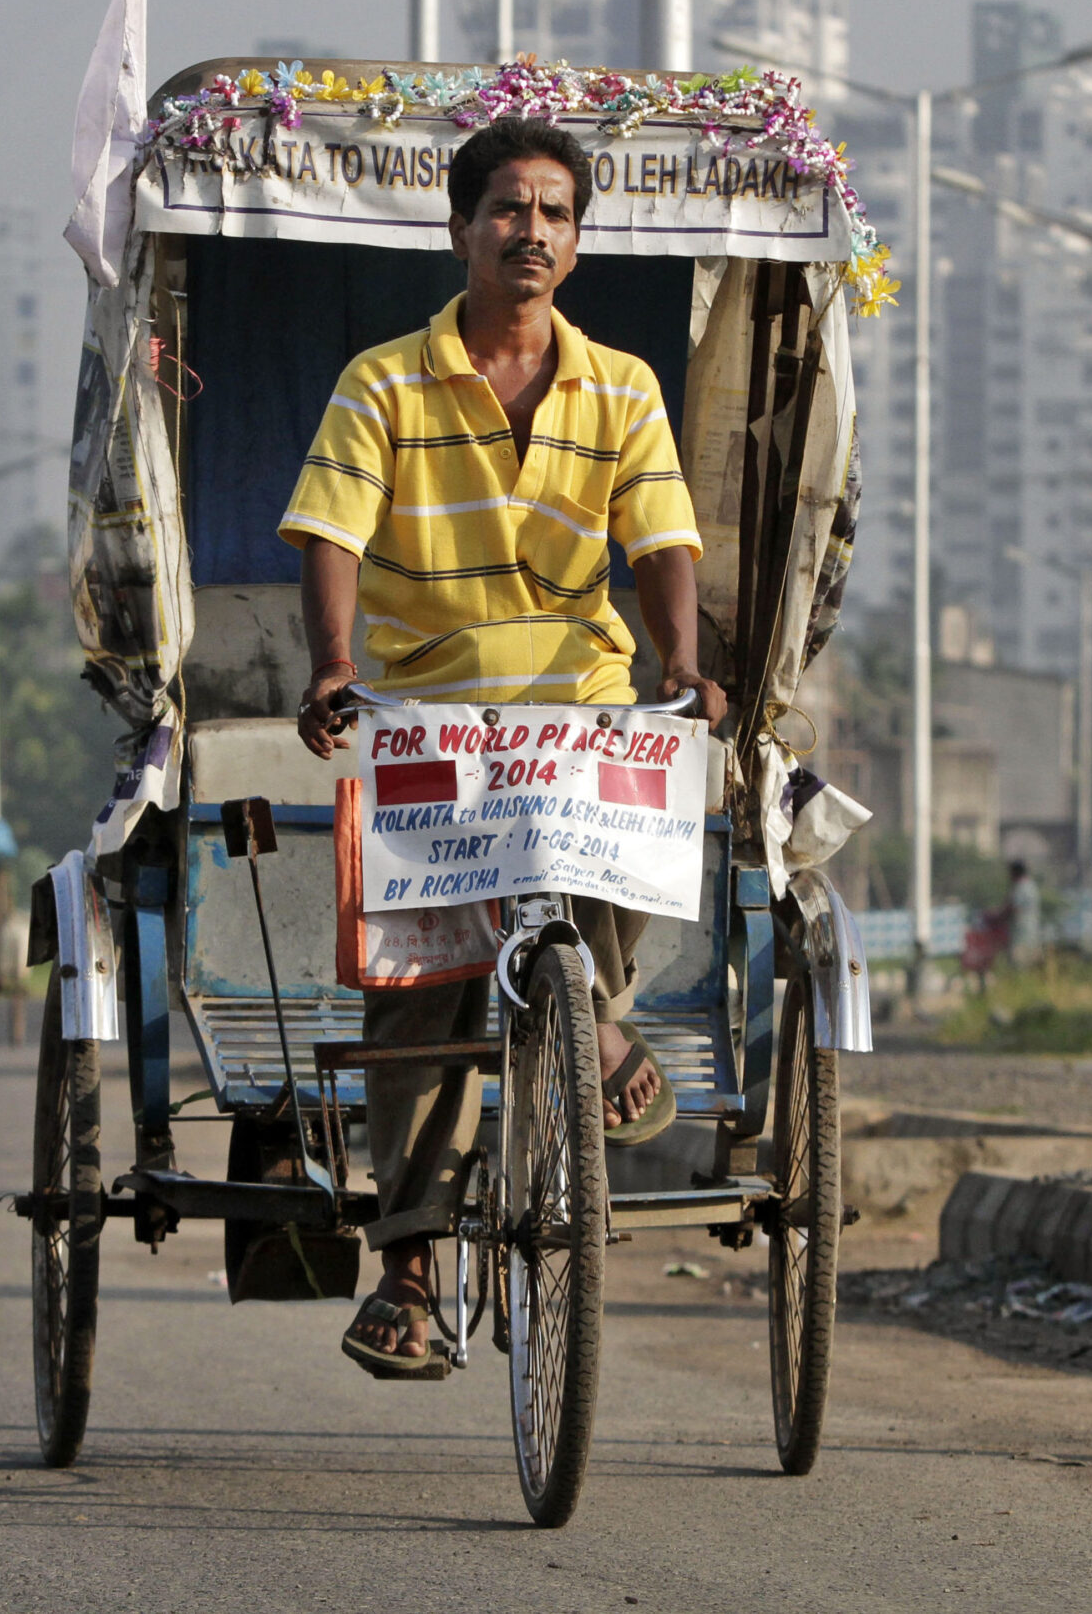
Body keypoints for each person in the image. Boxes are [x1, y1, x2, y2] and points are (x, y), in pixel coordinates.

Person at [281, 117, 728, 1380]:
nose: (531, 232)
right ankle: (409, 1265)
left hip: (580, 706)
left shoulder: (623, 386)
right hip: (430, 714)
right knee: (418, 986)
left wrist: (680, 662)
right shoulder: (384, 381)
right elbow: (331, 530)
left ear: (577, 243)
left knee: (653, 798)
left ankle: (595, 1015)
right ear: (462, 227)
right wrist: (333, 665)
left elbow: (659, 542)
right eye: (509, 210)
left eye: (555, 214)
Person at [1006, 859, 1044, 971]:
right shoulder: (1031, 886)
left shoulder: (1021, 888)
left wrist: (995, 917)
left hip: (1022, 936)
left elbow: (1013, 909)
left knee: (1020, 967)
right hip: (1032, 934)